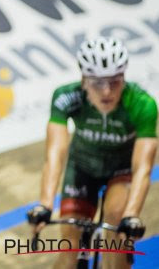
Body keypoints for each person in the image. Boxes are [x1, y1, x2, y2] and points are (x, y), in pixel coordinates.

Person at [27, 37, 157, 268]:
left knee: (116, 226)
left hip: (121, 170)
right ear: (84, 81)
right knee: (70, 246)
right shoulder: (66, 98)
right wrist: (45, 204)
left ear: (124, 78)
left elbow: (143, 168)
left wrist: (132, 214)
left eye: (115, 82)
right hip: (82, 167)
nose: (107, 91)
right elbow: (55, 156)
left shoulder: (142, 104)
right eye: (97, 83)